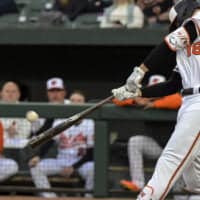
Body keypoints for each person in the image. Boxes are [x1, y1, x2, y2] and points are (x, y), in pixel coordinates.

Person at [112, 0, 200, 199]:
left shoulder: (197, 21)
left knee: (169, 162)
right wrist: (138, 93)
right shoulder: (188, 46)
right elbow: (173, 85)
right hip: (190, 101)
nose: (178, 26)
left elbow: (168, 44)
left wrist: (140, 71)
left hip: (198, 104)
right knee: (195, 179)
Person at [113, 75, 182, 192]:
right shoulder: (145, 99)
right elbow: (117, 100)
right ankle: (138, 183)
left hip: (177, 152)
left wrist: (155, 104)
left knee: (179, 191)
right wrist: (135, 99)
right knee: (136, 141)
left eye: (158, 89)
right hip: (157, 147)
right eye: (153, 89)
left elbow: (179, 99)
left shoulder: (173, 97)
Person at [30, 90, 95, 198]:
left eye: (79, 101)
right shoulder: (60, 121)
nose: (75, 103)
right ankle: (50, 197)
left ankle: (88, 197)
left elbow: (91, 153)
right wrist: (38, 156)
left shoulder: (90, 123)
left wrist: (74, 167)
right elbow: (49, 142)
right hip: (61, 161)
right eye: (73, 100)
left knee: (94, 169)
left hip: (81, 163)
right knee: (35, 167)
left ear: (85, 104)